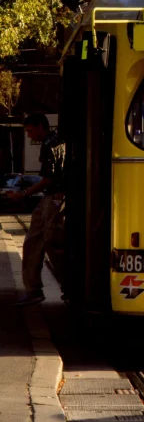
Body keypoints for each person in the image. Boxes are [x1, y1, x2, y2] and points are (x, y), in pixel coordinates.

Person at [8, 113, 65, 305]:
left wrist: (23, 194)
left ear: (41, 126)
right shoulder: (56, 140)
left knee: (49, 243)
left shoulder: (49, 145)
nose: (29, 135)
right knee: (34, 241)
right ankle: (34, 289)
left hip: (53, 198)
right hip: (51, 198)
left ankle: (40, 288)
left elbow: (48, 179)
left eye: (30, 131)